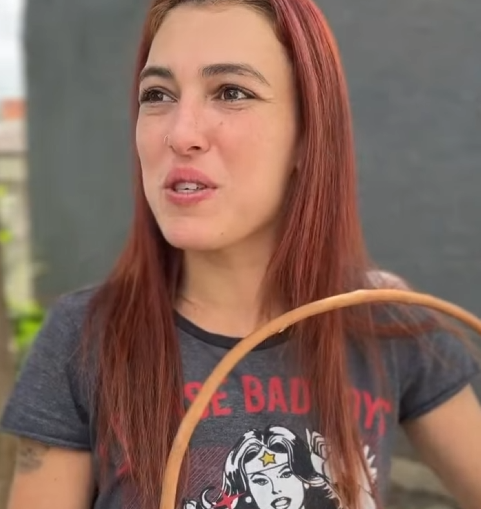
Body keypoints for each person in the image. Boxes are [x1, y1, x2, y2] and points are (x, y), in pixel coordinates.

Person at [2, 0, 481, 508]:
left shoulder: (386, 322)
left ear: (308, 135)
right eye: (157, 95)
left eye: (232, 92)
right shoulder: (83, 339)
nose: (180, 134)